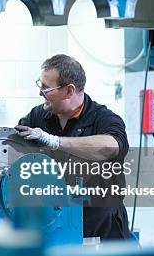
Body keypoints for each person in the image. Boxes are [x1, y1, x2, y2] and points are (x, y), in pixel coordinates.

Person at [15, 54, 131, 240]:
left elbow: (112, 146)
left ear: (69, 91)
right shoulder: (38, 116)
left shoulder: (104, 119)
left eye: (46, 88)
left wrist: (54, 141)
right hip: (54, 221)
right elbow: (14, 149)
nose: (40, 93)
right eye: (40, 85)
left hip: (101, 225)